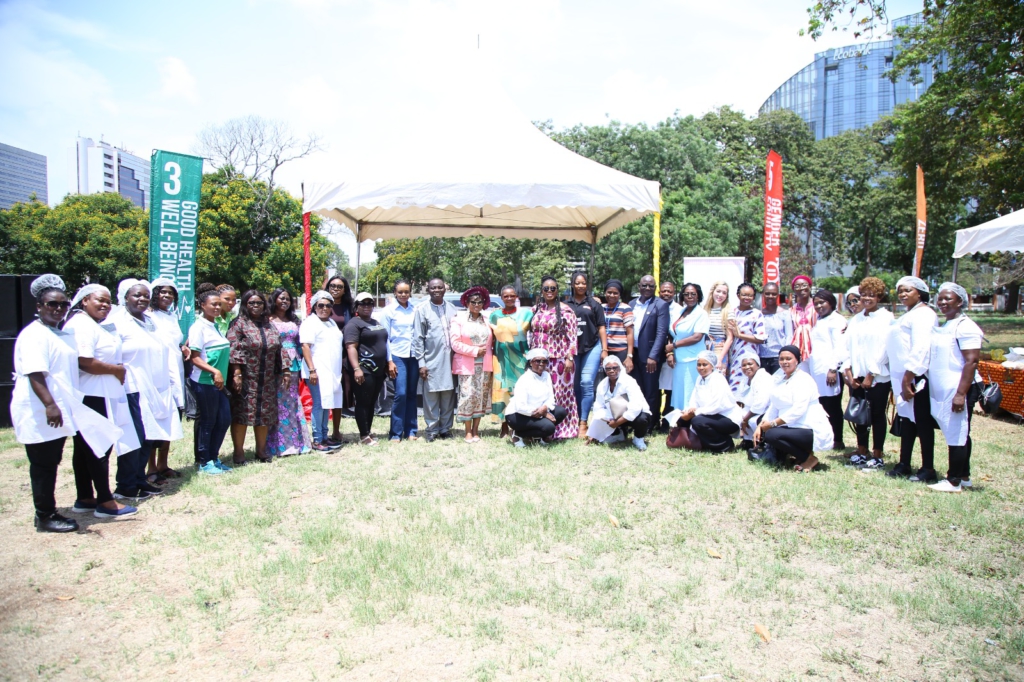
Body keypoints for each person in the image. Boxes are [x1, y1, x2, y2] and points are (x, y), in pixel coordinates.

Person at [11, 275, 119, 532]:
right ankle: (45, 516)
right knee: (43, 465)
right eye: (52, 304)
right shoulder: (34, 335)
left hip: (62, 408)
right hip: (41, 409)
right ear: (39, 306)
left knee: (53, 460)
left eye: (63, 304)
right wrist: (50, 405)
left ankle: (50, 510)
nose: (58, 309)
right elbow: (35, 373)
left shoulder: (61, 333)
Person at [62, 284, 139, 519]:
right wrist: (115, 370)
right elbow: (84, 361)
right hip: (91, 393)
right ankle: (105, 501)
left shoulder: (91, 324)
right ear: (84, 301)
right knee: (99, 447)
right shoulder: (81, 325)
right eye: (99, 300)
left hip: (97, 392)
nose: (105, 305)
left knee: (85, 448)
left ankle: (85, 497)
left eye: (108, 301)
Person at [111, 279, 183, 496]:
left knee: (148, 437)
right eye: (136, 295)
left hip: (154, 387)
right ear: (125, 297)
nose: (142, 299)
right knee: (133, 438)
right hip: (131, 388)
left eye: (145, 295)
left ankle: (139, 479)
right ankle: (126, 486)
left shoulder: (150, 320)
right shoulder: (117, 321)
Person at [928, 282, 982, 493]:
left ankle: (953, 481)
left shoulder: (966, 326)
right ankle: (964, 475)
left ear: (960, 301)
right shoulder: (947, 324)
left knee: (957, 432)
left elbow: (971, 361)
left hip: (960, 388)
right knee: (956, 432)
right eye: (940, 298)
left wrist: (961, 394)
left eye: (948, 298)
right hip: (944, 388)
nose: (942, 302)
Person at [885, 276, 939, 482]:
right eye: (900, 291)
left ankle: (927, 468)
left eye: (908, 290)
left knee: (922, 422)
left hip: (916, 377)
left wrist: (909, 377)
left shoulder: (924, 314)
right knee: (907, 421)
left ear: (920, 293)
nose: (903, 294)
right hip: (902, 378)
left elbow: (921, 347)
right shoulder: (908, 315)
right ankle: (904, 463)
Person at [227, 289, 286, 464]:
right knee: (242, 414)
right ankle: (238, 453)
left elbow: (279, 347)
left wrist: (286, 370)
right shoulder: (238, 324)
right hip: (246, 377)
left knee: (264, 415)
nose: (255, 306)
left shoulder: (269, 324)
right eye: (251, 303)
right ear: (245, 305)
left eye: (259, 303)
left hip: (267, 377)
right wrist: (236, 373)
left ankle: (261, 451)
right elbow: (233, 348)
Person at [753, 346, 834, 472]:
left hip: (808, 428)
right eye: (781, 359)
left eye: (788, 359)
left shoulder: (803, 379)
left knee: (772, 434)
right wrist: (762, 424)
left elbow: (798, 410)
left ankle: (808, 458)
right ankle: (795, 456)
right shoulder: (780, 378)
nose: (785, 362)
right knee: (762, 423)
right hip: (792, 427)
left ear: (797, 360)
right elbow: (774, 406)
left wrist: (772, 424)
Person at [841, 276, 894, 469]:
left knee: (877, 415)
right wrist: (848, 372)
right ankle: (861, 450)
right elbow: (846, 346)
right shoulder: (856, 319)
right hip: (857, 375)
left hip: (878, 376)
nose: (867, 299)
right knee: (860, 414)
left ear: (879, 297)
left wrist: (871, 374)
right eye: (863, 295)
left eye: (871, 295)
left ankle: (877, 454)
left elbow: (884, 348)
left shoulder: (886, 318)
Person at [188, 286, 234, 474]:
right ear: (202, 305)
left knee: (223, 419)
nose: (217, 307)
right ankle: (204, 461)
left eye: (219, 304)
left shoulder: (213, 325)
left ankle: (214, 458)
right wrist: (215, 371)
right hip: (205, 382)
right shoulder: (198, 327)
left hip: (217, 383)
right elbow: (195, 357)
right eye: (213, 304)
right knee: (208, 421)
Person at [147, 277, 188, 482]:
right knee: (155, 418)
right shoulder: (147, 316)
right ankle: (151, 467)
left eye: (171, 293)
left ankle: (163, 464)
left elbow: (173, 342)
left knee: (172, 416)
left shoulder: (171, 317)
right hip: (156, 373)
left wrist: (182, 347)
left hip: (175, 371)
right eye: (162, 292)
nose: (167, 296)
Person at [530, 275, 580, 439]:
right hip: (539, 360)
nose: (549, 291)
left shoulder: (566, 311)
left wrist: (569, 358)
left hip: (559, 360)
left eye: (553, 288)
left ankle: (561, 429)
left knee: (559, 394)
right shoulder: (537, 309)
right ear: (542, 291)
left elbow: (572, 338)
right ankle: (543, 429)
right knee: (541, 393)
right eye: (546, 289)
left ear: (557, 291)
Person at [266, 288, 311, 458]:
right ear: (274, 300)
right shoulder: (267, 319)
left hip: (294, 365)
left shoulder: (294, 320)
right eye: (281, 298)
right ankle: (277, 445)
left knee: (292, 402)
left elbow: (300, 343)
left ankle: (297, 443)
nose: (284, 301)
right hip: (275, 365)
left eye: (287, 299)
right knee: (277, 404)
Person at [412, 278, 458, 442]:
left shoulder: (453, 309)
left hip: (450, 361)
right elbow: (418, 339)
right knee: (431, 396)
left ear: (445, 289)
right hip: (431, 360)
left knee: (448, 396)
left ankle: (445, 428)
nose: (436, 290)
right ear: (428, 290)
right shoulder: (422, 310)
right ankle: (431, 429)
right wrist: (421, 363)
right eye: (433, 288)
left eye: (439, 287)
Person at [564, 272, 608, 439]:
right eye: (578, 283)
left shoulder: (594, 304)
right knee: (574, 385)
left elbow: (601, 327)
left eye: (583, 283)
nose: (581, 286)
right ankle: (573, 420)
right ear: (573, 284)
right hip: (572, 350)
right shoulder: (566, 304)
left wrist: (604, 349)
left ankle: (583, 422)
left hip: (592, 347)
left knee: (587, 382)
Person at [300, 290, 345, 451]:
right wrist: (312, 370)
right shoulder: (310, 323)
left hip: (331, 372)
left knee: (328, 404)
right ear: (314, 306)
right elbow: (305, 346)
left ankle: (325, 437)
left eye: (328, 305)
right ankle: (317, 439)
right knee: (319, 404)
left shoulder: (331, 322)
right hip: (317, 372)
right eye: (321, 305)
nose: (325, 308)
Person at [676, 350, 743, 453]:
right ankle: (697, 443)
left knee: (698, 421)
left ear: (712, 365)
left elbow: (716, 405)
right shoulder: (700, 378)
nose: (701, 368)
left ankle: (725, 445)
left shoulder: (718, 379)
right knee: (682, 419)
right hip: (710, 415)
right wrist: (690, 410)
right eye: (699, 365)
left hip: (727, 418)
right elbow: (694, 398)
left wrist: (696, 412)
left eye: (705, 364)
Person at [344, 292, 389, 445]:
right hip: (364, 368)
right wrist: (356, 368)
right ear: (356, 306)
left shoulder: (374, 322)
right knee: (363, 402)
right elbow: (351, 347)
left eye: (370, 303)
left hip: (378, 370)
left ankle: (368, 431)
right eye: (363, 303)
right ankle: (364, 435)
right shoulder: (354, 324)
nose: (367, 306)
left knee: (371, 402)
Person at [450, 286, 494, 442]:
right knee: (468, 396)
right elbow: (455, 343)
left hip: (485, 366)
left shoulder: (488, 320)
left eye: (480, 302)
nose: (476, 305)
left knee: (481, 397)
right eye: (473, 302)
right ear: (467, 303)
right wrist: (474, 351)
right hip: (467, 365)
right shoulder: (458, 320)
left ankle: (476, 430)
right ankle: (467, 431)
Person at [488, 285, 533, 437]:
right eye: (506, 296)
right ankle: (504, 427)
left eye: (512, 296)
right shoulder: (494, 315)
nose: (509, 298)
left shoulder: (526, 314)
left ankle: (518, 426)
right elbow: (491, 338)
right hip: (500, 360)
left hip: (520, 360)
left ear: (516, 297)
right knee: (501, 392)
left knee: (518, 393)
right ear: (501, 297)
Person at [381, 280, 419, 441]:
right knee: (400, 393)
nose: (403, 295)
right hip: (397, 356)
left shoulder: (415, 309)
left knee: (411, 394)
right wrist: (389, 361)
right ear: (394, 293)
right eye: (400, 292)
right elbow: (384, 338)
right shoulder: (388, 311)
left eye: (406, 292)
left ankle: (411, 431)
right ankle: (396, 433)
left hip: (414, 356)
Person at [628, 274, 670, 423]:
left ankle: (650, 424)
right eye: (644, 285)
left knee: (650, 390)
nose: (647, 288)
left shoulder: (660, 305)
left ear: (655, 288)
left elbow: (661, 332)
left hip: (650, 356)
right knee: (636, 389)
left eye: (651, 286)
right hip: (633, 354)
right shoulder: (631, 304)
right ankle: (637, 420)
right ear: (639, 286)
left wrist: (653, 356)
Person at [809, 289, 848, 450]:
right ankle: (825, 438)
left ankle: (837, 440)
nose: (818, 306)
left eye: (822, 302)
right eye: (816, 303)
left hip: (829, 370)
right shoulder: (819, 319)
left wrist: (833, 368)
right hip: (817, 370)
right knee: (822, 404)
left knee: (832, 406)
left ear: (831, 302)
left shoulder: (836, 320)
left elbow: (840, 346)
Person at [504, 348, 568, 446]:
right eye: (538, 361)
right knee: (549, 428)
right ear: (530, 363)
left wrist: (545, 408)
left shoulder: (546, 375)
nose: (541, 364)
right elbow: (520, 407)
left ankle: (537, 436)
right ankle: (516, 433)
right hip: (517, 415)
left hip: (539, 411)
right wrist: (544, 414)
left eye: (544, 361)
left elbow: (551, 397)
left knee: (561, 412)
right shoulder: (524, 380)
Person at [587, 355, 651, 451]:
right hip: (614, 416)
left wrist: (617, 422)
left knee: (642, 419)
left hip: (633, 415)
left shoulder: (629, 382)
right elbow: (598, 407)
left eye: (614, 368)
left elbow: (636, 407)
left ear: (620, 368)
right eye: (608, 368)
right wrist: (595, 433)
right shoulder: (602, 385)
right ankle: (618, 434)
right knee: (600, 414)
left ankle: (638, 438)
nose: (611, 371)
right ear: (605, 370)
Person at [667, 283, 710, 411]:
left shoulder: (701, 314)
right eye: (686, 294)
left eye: (693, 294)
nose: (689, 296)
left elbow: (697, 337)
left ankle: (690, 423)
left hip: (692, 359)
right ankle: (679, 422)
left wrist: (673, 346)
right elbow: (673, 333)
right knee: (680, 393)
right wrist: (671, 353)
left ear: (698, 296)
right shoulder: (680, 311)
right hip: (679, 360)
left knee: (690, 393)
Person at [726, 282, 766, 397]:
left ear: (754, 297)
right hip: (733, 357)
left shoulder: (757, 314)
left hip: (750, 356)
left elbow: (760, 338)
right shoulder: (732, 312)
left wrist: (740, 335)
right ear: (738, 295)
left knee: (750, 385)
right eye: (744, 295)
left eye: (750, 295)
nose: (747, 298)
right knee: (734, 385)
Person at [325, 274, 356, 424]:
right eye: (332, 286)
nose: (335, 289)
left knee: (340, 391)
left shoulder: (349, 308)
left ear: (344, 290)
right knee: (325, 392)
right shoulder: (321, 306)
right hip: (324, 354)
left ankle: (336, 430)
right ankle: (323, 430)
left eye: (339, 287)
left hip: (343, 354)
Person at [657, 281, 684, 428]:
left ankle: (666, 421)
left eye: (669, 291)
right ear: (659, 292)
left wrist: (670, 352)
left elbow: (675, 333)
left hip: (671, 354)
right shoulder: (653, 305)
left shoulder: (680, 310)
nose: (666, 294)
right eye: (663, 291)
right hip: (654, 354)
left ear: (674, 293)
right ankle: (654, 419)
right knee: (655, 389)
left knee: (669, 389)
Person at [736, 353, 772, 450]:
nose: (747, 367)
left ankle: (760, 443)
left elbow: (760, 404)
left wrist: (745, 419)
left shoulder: (763, 378)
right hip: (751, 410)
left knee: (752, 420)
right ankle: (748, 441)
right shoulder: (745, 380)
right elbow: (740, 400)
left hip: (765, 411)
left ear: (758, 364)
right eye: (744, 365)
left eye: (750, 364)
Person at [758, 281, 792, 376]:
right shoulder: (758, 314)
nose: (770, 296)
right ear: (763, 295)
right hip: (761, 357)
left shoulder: (785, 314)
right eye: (767, 293)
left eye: (773, 294)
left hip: (778, 358)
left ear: (778, 295)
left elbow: (789, 336)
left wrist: (785, 356)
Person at [602, 279, 635, 371]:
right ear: (605, 293)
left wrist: (629, 355)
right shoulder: (601, 308)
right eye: (609, 292)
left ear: (619, 294)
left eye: (615, 293)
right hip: (605, 351)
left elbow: (630, 333)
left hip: (621, 351)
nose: (612, 295)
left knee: (621, 379)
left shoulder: (625, 308)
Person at [703, 281, 734, 373]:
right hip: (705, 346)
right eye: (718, 291)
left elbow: (730, 338)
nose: (720, 295)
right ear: (712, 292)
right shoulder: (705, 310)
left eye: (724, 293)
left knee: (717, 377)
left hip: (719, 348)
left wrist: (720, 358)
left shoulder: (728, 311)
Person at [789, 275, 817, 363]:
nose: (801, 288)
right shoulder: (791, 311)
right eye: (797, 286)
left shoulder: (818, 306)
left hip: (817, 349)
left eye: (804, 285)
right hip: (798, 351)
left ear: (810, 286)